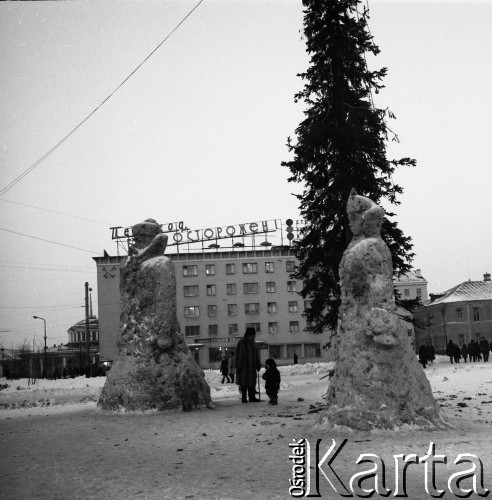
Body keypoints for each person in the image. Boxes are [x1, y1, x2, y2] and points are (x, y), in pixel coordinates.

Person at [235, 327, 261, 403]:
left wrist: (258, 364)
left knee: (252, 382)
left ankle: (252, 397)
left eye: (253, 335)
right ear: (247, 334)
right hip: (244, 367)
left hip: (252, 367)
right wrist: (239, 366)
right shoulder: (241, 343)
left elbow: (256, 355)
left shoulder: (253, 344)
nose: (252, 337)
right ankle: (244, 397)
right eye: (251, 335)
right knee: (244, 382)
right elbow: (238, 355)